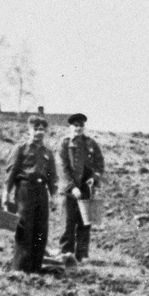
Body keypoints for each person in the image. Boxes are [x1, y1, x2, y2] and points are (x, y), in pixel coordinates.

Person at [3, 115, 58, 273]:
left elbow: (52, 177)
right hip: (25, 190)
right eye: (36, 129)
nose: (39, 132)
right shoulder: (21, 149)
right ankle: (19, 268)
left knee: (41, 229)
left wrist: (54, 196)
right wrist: (6, 193)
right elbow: (11, 173)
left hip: (42, 192)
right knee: (25, 228)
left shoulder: (48, 153)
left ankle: (35, 268)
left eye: (42, 129)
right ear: (29, 130)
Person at [57, 112, 106, 262]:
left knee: (85, 223)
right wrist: (72, 187)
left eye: (81, 126)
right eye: (75, 126)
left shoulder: (91, 143)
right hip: (69, 191)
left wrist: (94, 178)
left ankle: (82, 255)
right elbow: (62, 167)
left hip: (87, 189)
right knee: (68, 223)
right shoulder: (65, 144)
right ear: (70, 127)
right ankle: (67, 254)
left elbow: (99, 163)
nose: (78, 128)